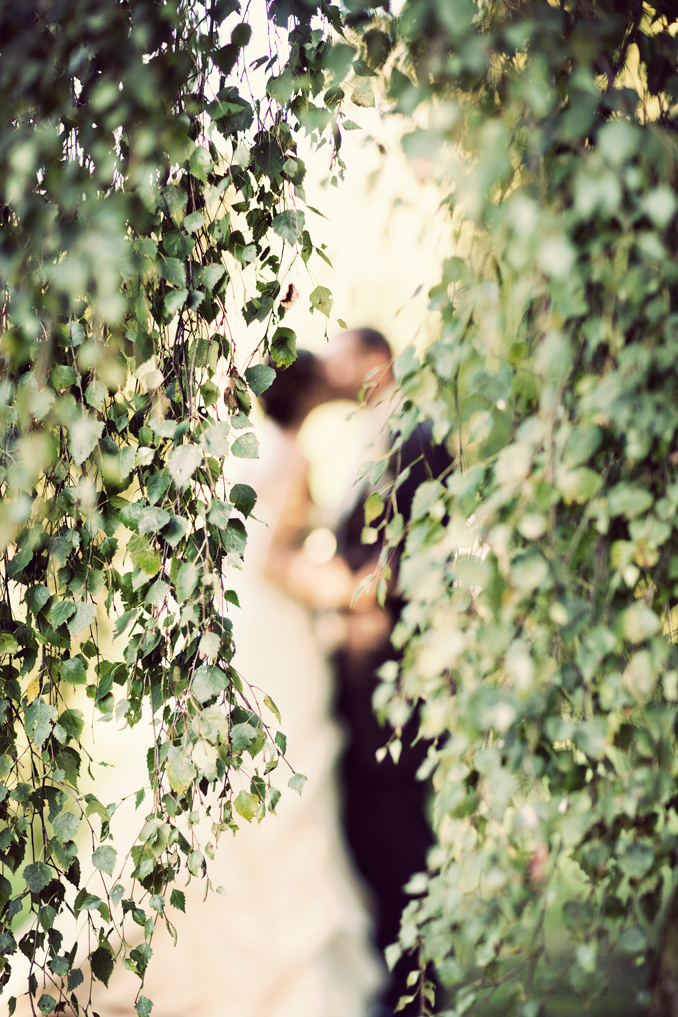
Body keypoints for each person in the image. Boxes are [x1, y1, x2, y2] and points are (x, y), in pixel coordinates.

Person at [30, 351, 384, 1017]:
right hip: (280, 638)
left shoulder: (238, 455)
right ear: (308, 399)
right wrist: (357, 589)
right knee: (286, 792)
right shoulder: (293, 460)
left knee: (248, 797)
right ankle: (282, 980)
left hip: (238, 635)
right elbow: (281, 560)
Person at [322, 328, 452, 1016]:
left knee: (397, 839)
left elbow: (428, 546)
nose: (330, 371)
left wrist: (377, 591)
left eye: (341, 358)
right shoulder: (365, 439)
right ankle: (396, 985)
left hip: (395, 682)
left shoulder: (420, 434)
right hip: (364, 678)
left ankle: (417, 996)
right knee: (375, 836)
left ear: (377, 363)